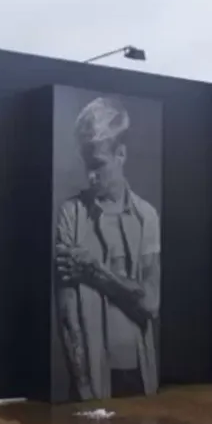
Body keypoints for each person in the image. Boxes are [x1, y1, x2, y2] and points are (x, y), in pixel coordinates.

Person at [55, 96, 160, 400]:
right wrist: (83, 386)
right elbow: (68, 315)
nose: (91, 175)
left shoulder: (147, 216)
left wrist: (96, 271)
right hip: (91, 376)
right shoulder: (71, 214)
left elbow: (151, 304)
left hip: (138, 372)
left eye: (98, 165)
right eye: (87, 166)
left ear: (121, 154)